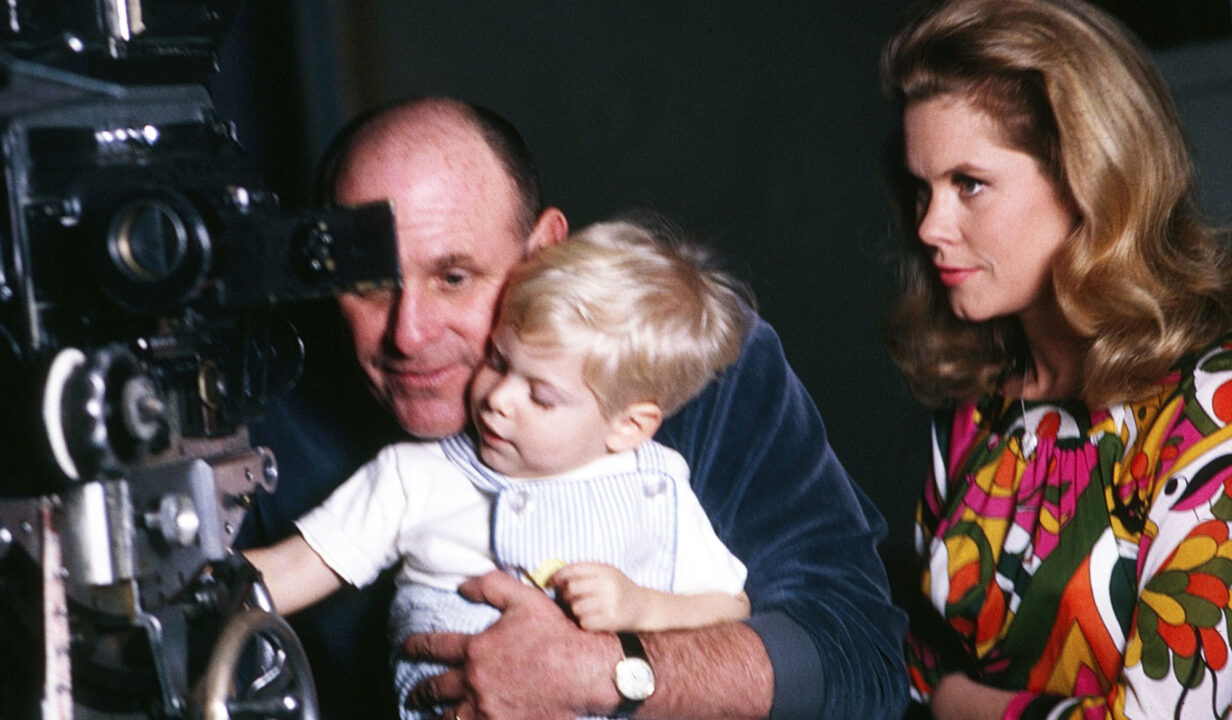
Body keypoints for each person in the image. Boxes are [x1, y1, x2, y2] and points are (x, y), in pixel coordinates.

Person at [239, 97, 909, 720]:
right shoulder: (265, 408)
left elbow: (860, 661)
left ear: (543, 254)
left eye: (455, 278)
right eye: (369, 284)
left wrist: (610, 670)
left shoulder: (691, 370)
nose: (408, 335)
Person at [879, 1, 1232, 718]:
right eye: (923, 189)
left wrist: (961, 706)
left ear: (1088, 177)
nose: (931, 227)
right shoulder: (983, 407)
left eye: (969, 183)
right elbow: (909, 669)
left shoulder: (1229, 412)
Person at [246, 218, 757, 720]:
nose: (499, 399)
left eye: (541, 395)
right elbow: (289, 571)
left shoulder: (657, 489)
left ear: (627, 427)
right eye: (497, 359)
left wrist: (644, 607)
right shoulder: (416, 477)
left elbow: (730, 607)